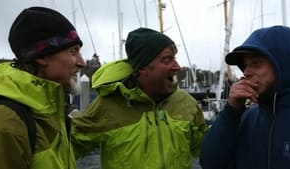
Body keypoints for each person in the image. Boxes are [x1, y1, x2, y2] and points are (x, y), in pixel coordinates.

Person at [71, 27, 207, 169]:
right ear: (142, 68)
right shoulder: (109, 105)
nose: (177, 67)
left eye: (175, 59)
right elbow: (66, 149)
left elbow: (207, 153)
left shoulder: (187, 103)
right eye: (167, 60)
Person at [0, 6, 86, 169]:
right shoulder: (6, 122)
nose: (82, 62)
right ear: (43, 57)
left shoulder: (53, 109)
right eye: (73, 52)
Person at [200, 25, 290, 169]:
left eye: (256, 63)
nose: (246, 72)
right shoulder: (246, 118)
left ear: (282, 64)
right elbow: (211, 163)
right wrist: (230, 112)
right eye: (245, 65)